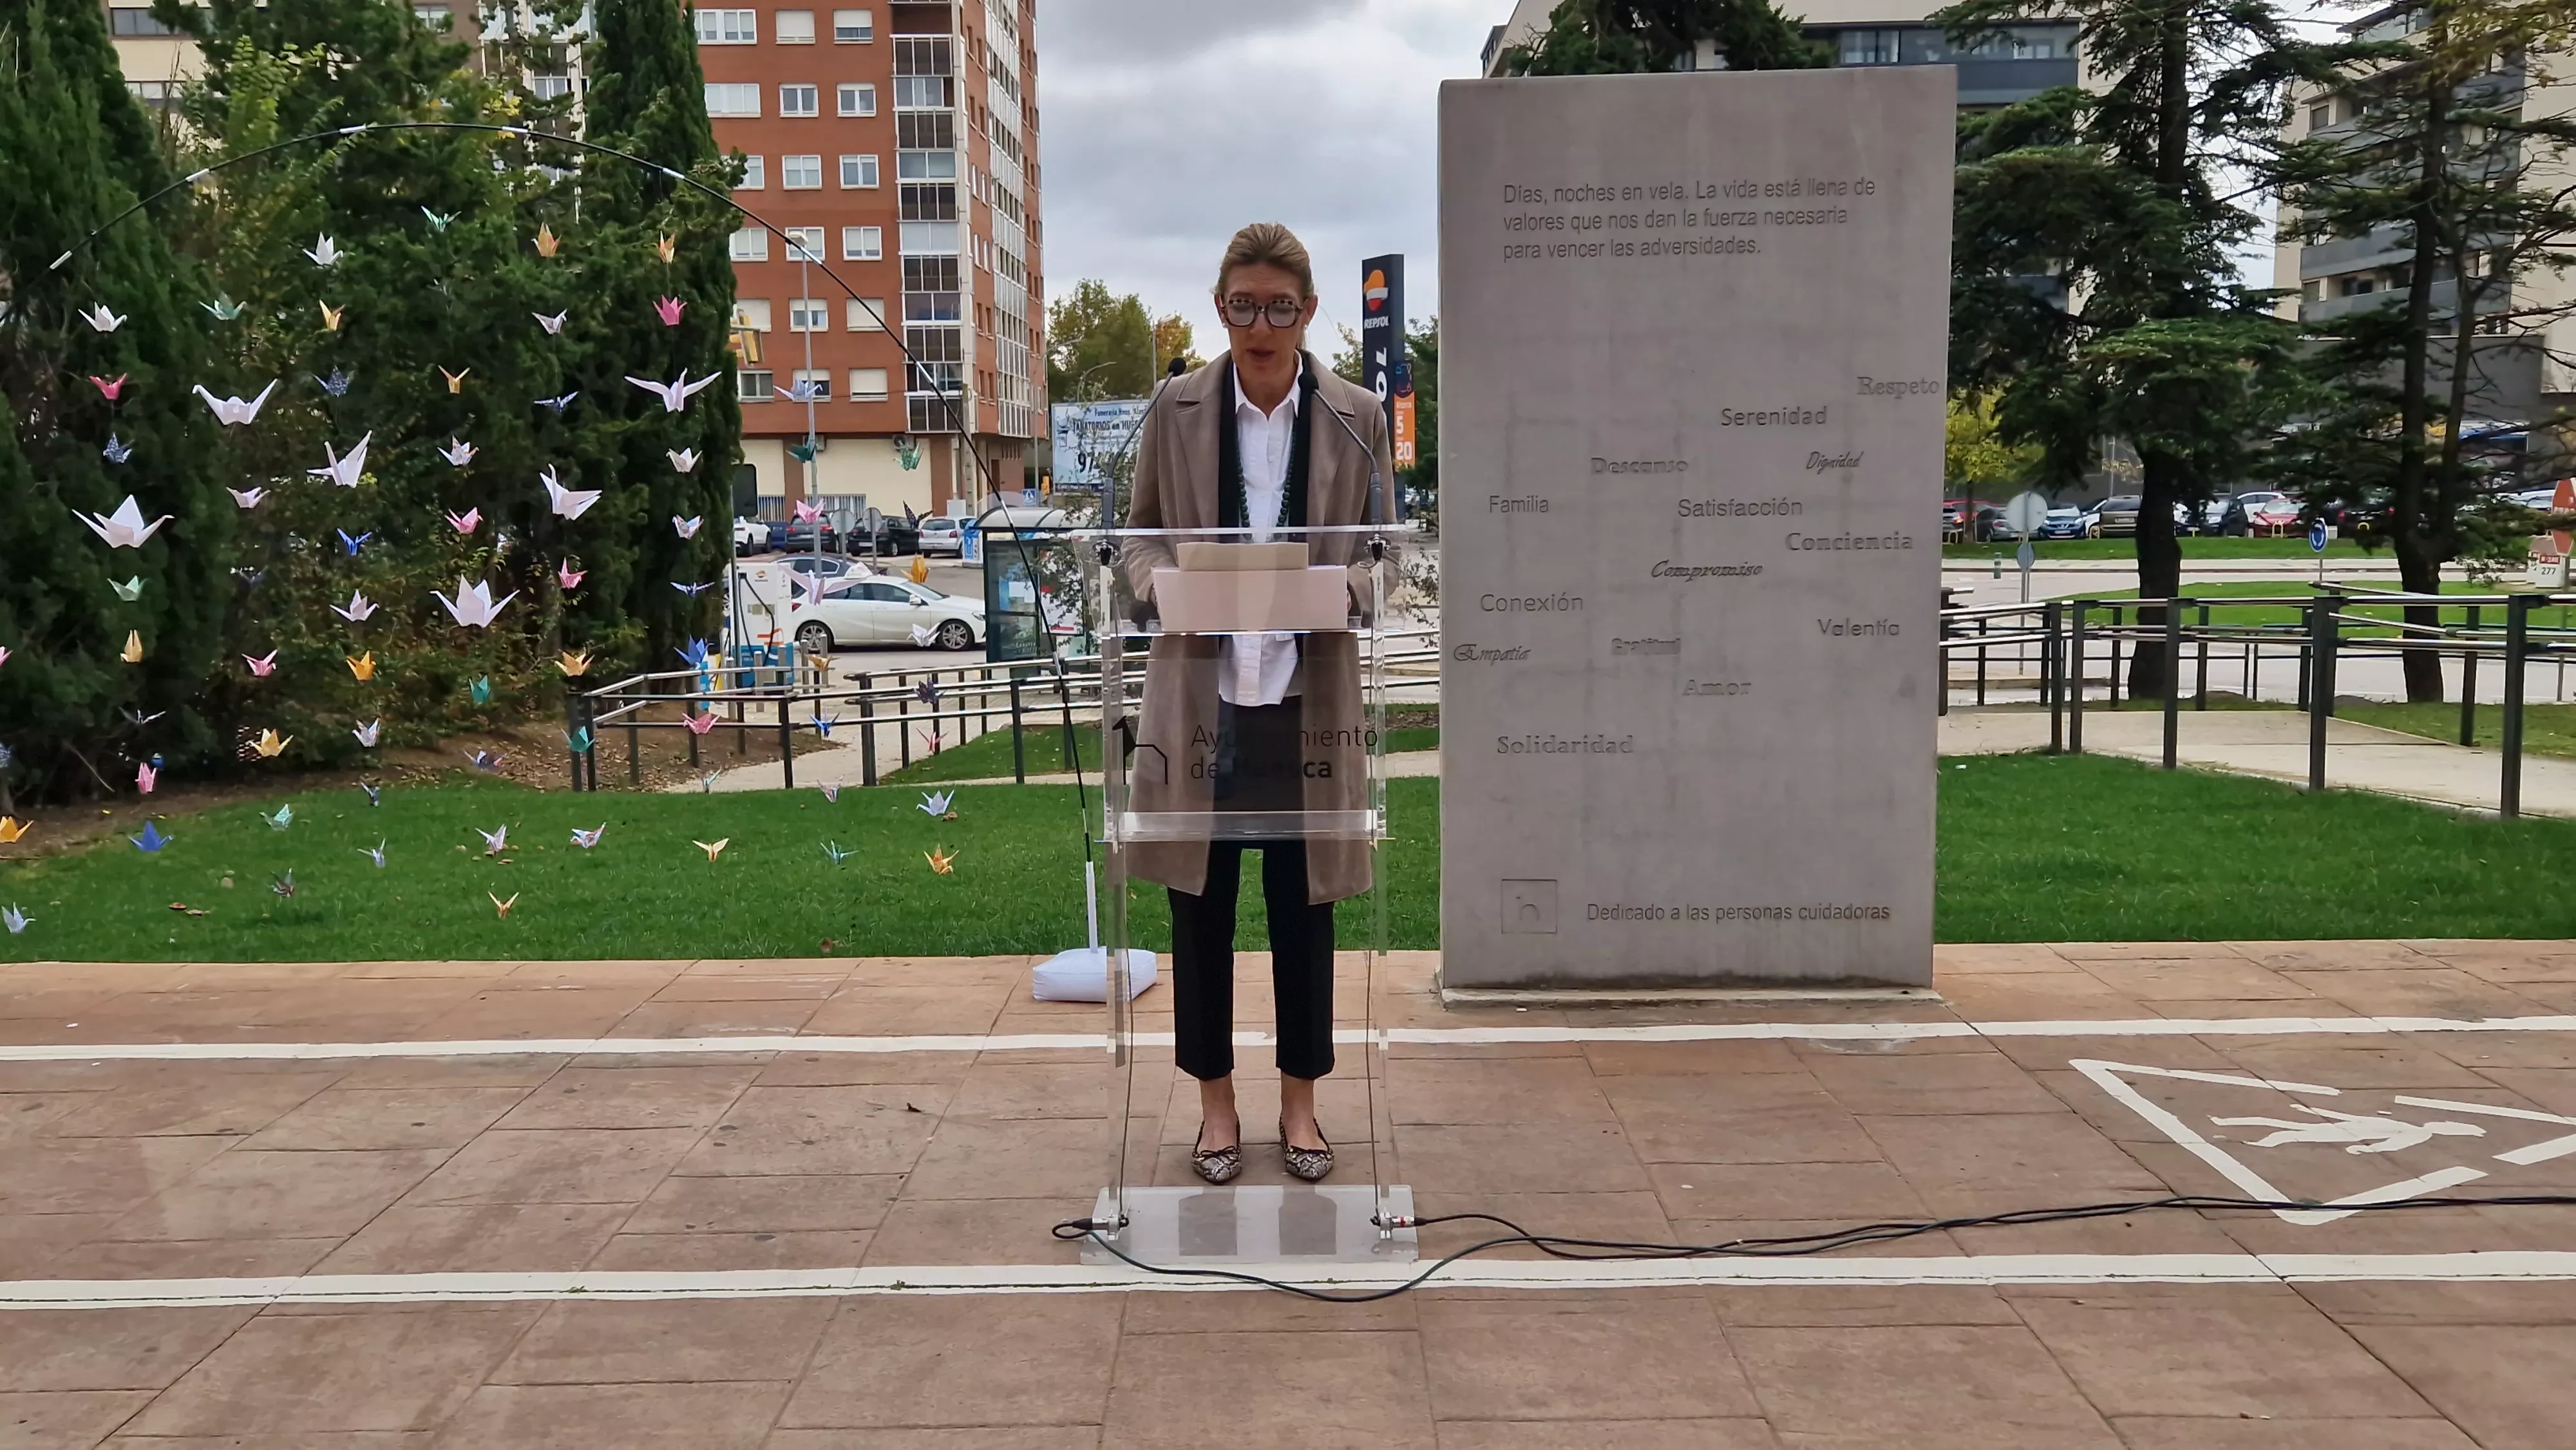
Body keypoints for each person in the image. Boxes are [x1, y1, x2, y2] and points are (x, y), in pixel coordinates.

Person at [1121, 222, 1393, 1185]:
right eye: (1245, 304)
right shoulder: (1177, 406)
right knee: (1198, 907)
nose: (1262, 324)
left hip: (1303, 699)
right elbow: (1137, 539)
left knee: (1300, 908)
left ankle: (1301, 1106)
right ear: (1220, 306)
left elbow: (1385, 550)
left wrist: (1348, 591)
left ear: (1309, 312)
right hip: (1204, 697)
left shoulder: (1357, 414)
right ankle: (1215, 1109)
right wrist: (1162, 588)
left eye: (1281, 306)